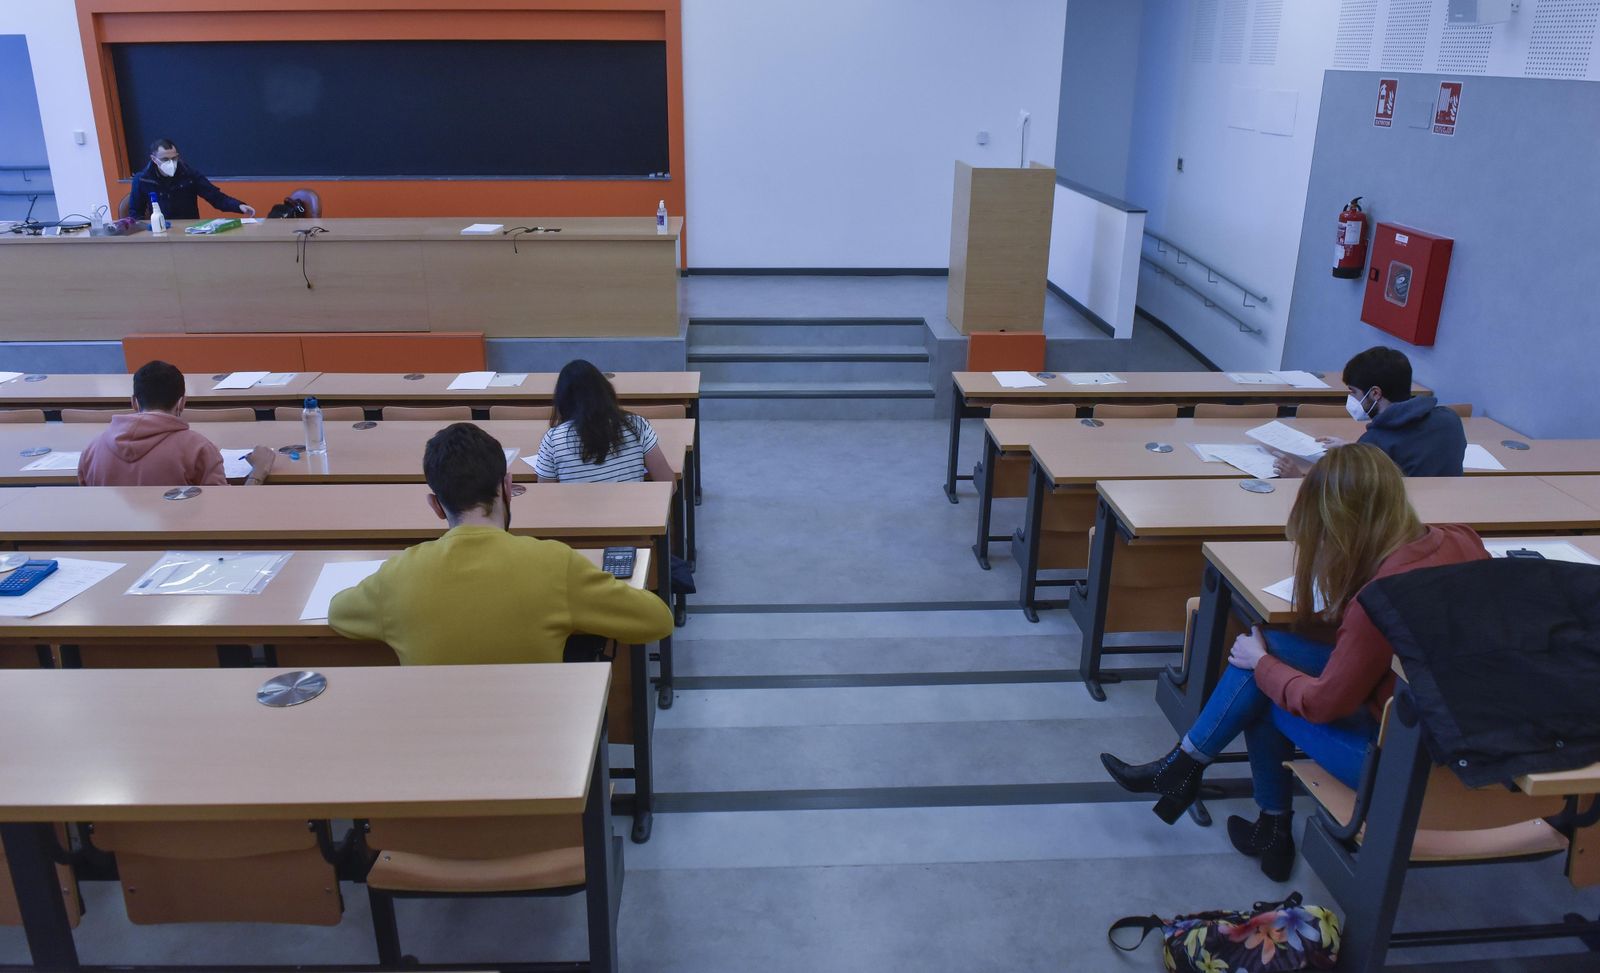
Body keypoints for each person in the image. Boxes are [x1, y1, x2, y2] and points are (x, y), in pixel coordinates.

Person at [1100, 444, 1487, 881]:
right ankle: (1204, 782)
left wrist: (1264, 665)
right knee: (1271, 651)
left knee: (1263, 684)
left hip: (1408, 762)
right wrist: (1267, 660)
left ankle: (1249, 810)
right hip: (1466, 724)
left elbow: (1324, 705)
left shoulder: (1377, 602)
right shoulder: (1460, 538)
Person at [329, 422, 673, 665]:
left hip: (434, 750)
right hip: (543, 741)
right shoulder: (554, 564)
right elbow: (657, 620)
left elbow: (338, 613)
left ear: (435, 505)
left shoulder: (398, 575)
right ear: (507, 488)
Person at [1274, 346, 1466, 477]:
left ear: (1375, 393)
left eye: (1354, 392)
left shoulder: (1375, 443)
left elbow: (1343, 498)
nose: (1352, 399)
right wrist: (1353, 448)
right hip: (1447, 516)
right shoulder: (1450, 420)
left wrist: (1297, 479)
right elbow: (1408, 449)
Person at [77, 360, 274, 487]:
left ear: (134, 402)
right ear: (182, 402)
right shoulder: (198, 449)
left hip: (114, 546)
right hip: (182, 548)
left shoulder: (92, 450)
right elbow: (223, 511)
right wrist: (258, 473)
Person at [533, 360, 673, 483]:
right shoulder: (637, 425)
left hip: (577, 513)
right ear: (605, 390)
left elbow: (545, 496)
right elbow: (669, 484)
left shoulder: (553, 439)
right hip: (633, 512)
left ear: (563, 399)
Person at [128, 138, 255, 221]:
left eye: (174, 158)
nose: (171, 163)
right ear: (154, 159)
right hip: (160, 231)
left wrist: (239, 206)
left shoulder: (189, 174)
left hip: (189, 230)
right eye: (165, 160)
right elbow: (136, 213)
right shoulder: (142, 179)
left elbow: (216, 198)